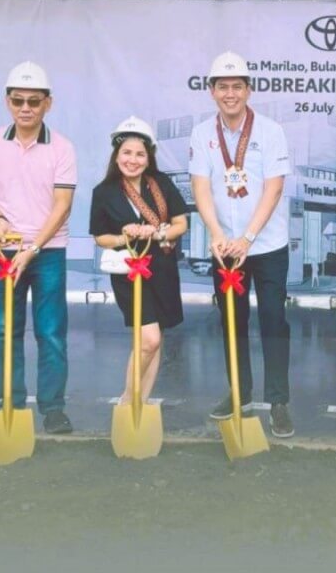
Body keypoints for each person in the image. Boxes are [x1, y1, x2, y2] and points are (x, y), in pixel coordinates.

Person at [189, 51, 294, 438]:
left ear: (248, 90)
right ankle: (239, 392)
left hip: (265, 246)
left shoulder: (270, 131)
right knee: (231, 321)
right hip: (225, 249)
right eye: (222, 87)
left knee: (272, 321)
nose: (230, 94)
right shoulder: (202, 134)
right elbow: (201, 186)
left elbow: (274, 186)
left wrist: (249, 237)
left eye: (237, 86)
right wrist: (217, 234)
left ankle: (279, 401)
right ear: (212, 91)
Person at [0, 61, 77, 434]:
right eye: (18, 100)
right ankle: (11, 405)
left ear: (48, 103)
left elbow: (63, 206)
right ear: (7, 102)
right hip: (5, 251)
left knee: (50, 332)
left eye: (34, 101)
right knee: (4, 331)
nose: (26, 108)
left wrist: (32, 247)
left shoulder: (62, 147)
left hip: (47, 252)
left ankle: (53, 409)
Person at [89, 116, 187, 404]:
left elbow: (181, 224)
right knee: (150, 339)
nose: (133, 160)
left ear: (149, 157)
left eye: (140, 154)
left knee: (153, 343)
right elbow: (100, 237)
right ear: (116, 155)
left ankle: (140, 404)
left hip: (162, 269)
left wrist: (156, 232)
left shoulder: (162, 184)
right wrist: (125, 236)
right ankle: (127, 401)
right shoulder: (104, 192)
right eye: (126, 153)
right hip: (129, 273)